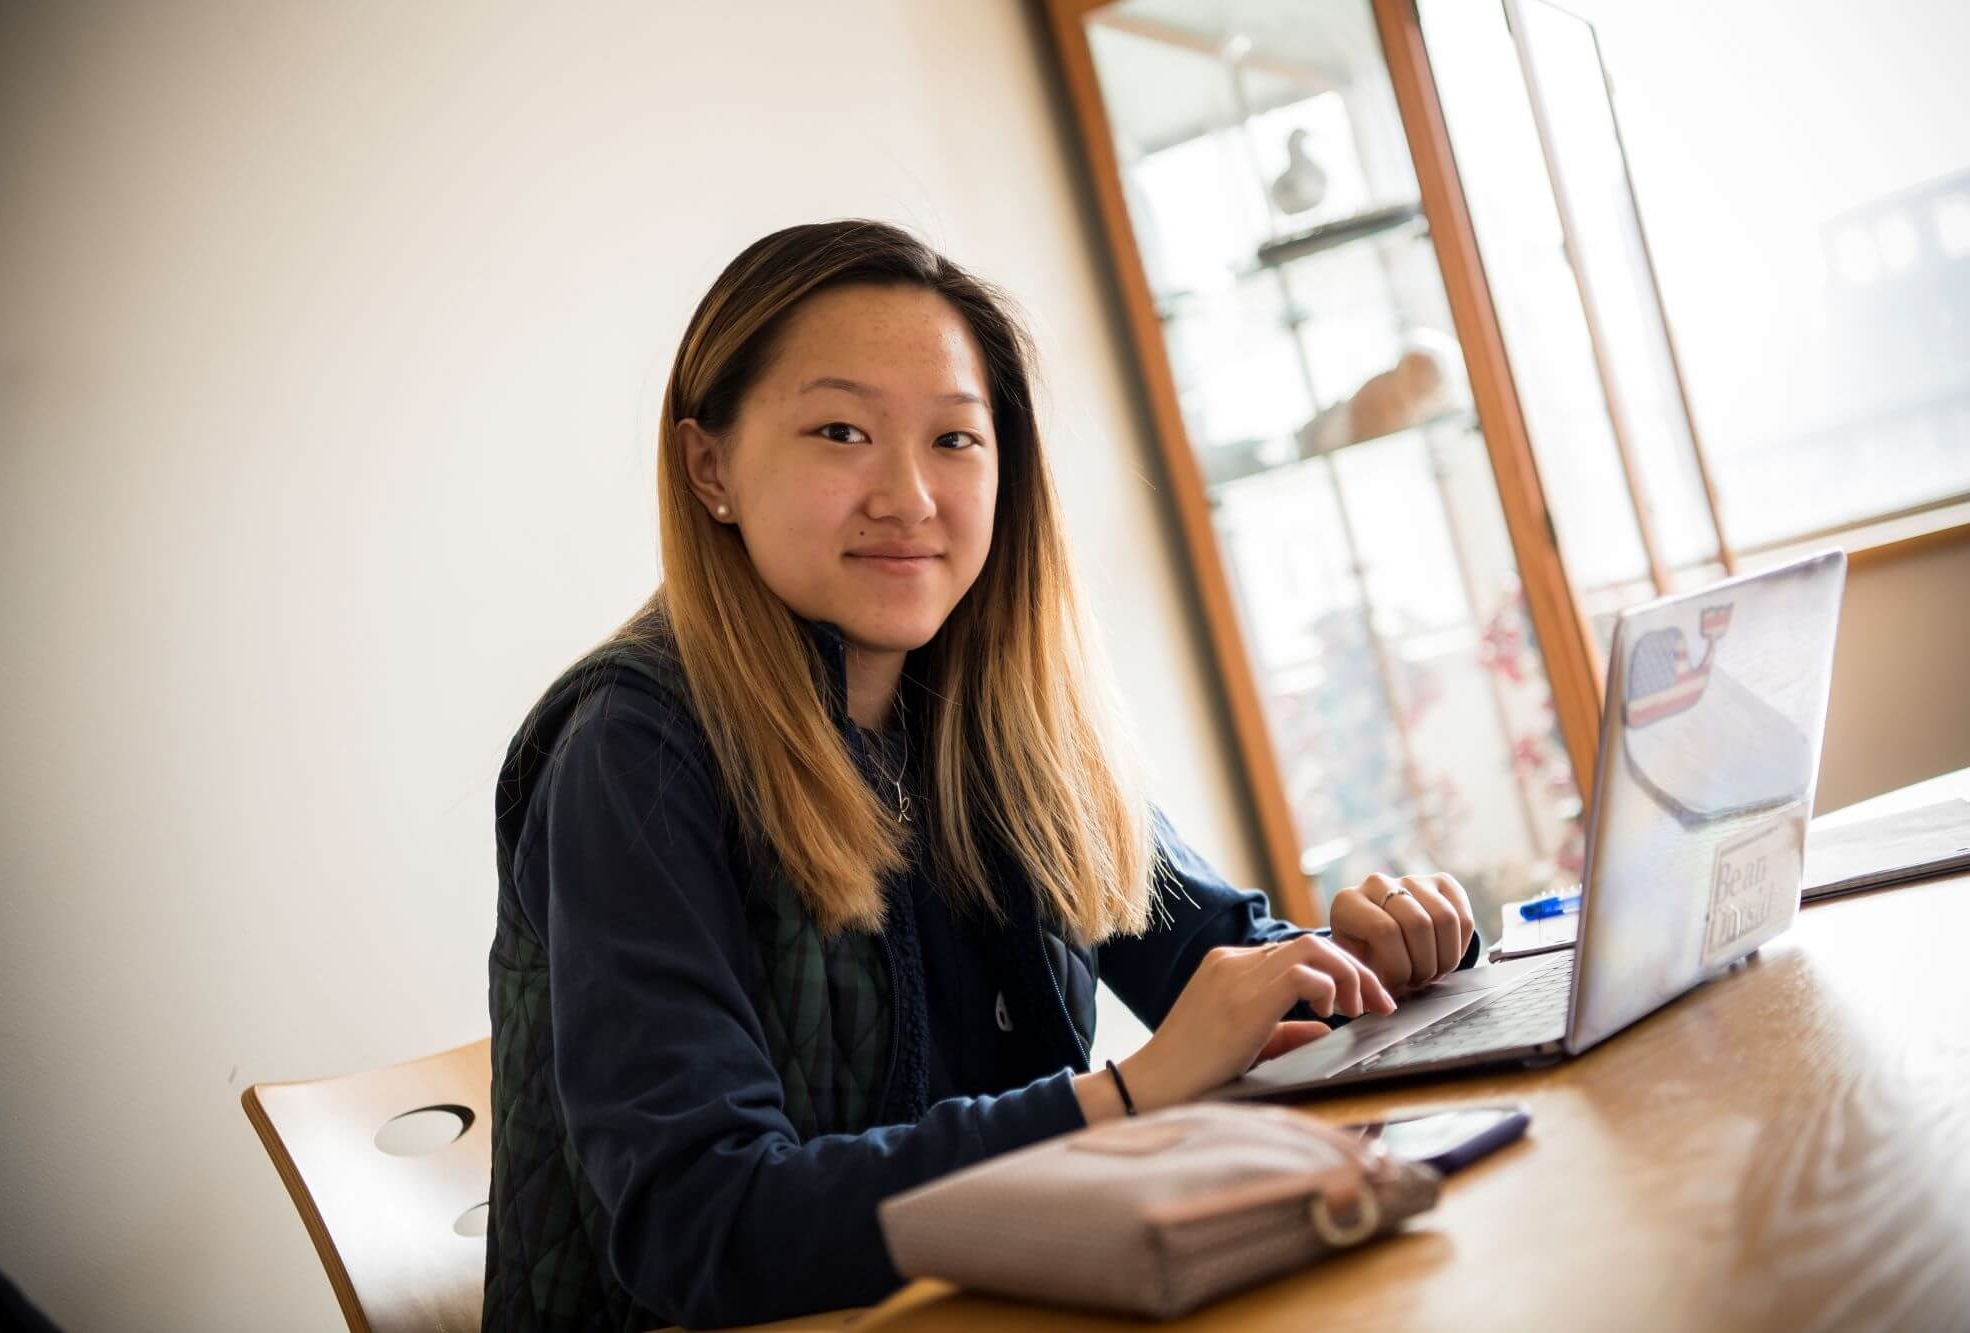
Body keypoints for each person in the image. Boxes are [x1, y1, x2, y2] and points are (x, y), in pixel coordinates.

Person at [484, 219, 1480, 1331]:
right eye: (841, 430)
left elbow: (1218, 969)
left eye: (955, 441)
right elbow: (700, 1228)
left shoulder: (989, 709)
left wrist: (1361, 957)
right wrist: (1125, 1094)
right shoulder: (630, 750)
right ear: (709, 466)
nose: (909, 495)